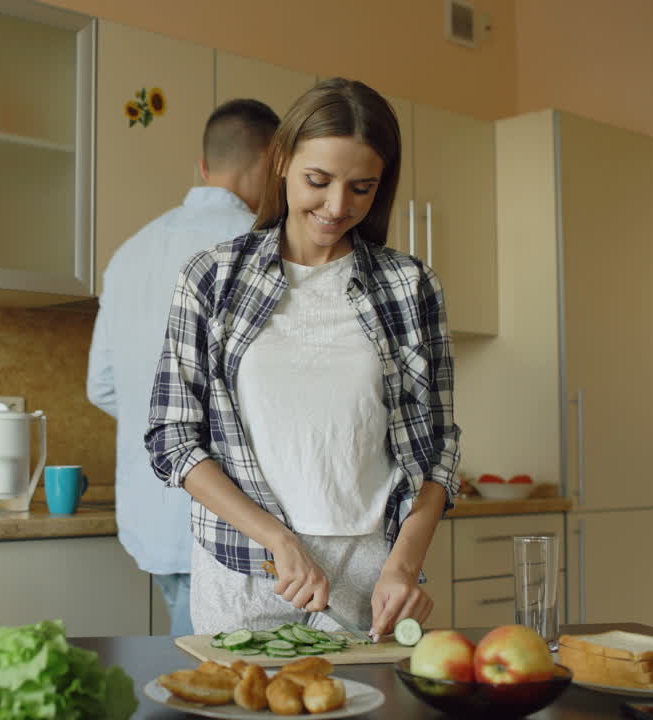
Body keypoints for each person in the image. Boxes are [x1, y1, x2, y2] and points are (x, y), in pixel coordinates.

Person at [145, 77, 461, 639]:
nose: (338, 206)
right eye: (319, 180)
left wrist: (404, 566)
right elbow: (173, 438)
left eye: (362, 188)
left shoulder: (410, 286)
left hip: (372, 577)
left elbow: (437, 449)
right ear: (282, 160)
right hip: (245, 568)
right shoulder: (213, 277)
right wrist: (278, 539)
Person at [88, 99, 281, 637]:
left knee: (197, 677)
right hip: (238, 521)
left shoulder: (128, 253)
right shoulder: (263, 249)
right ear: (272, 160)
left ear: (203, 166)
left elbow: (102, 386)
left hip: (153, 517)